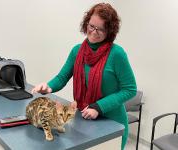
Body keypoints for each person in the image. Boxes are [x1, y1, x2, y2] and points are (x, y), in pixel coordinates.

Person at [31, 3, 137, 150]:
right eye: (92, 26)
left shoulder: (117, 54)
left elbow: (130, 89)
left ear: (109, 31)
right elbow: (62, 77)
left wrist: (99, 107)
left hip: (112, 123)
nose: (94, 31)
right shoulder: (76, 51)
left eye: (101, 29)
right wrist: (48, 87)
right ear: (86, 23)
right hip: (85, 118)